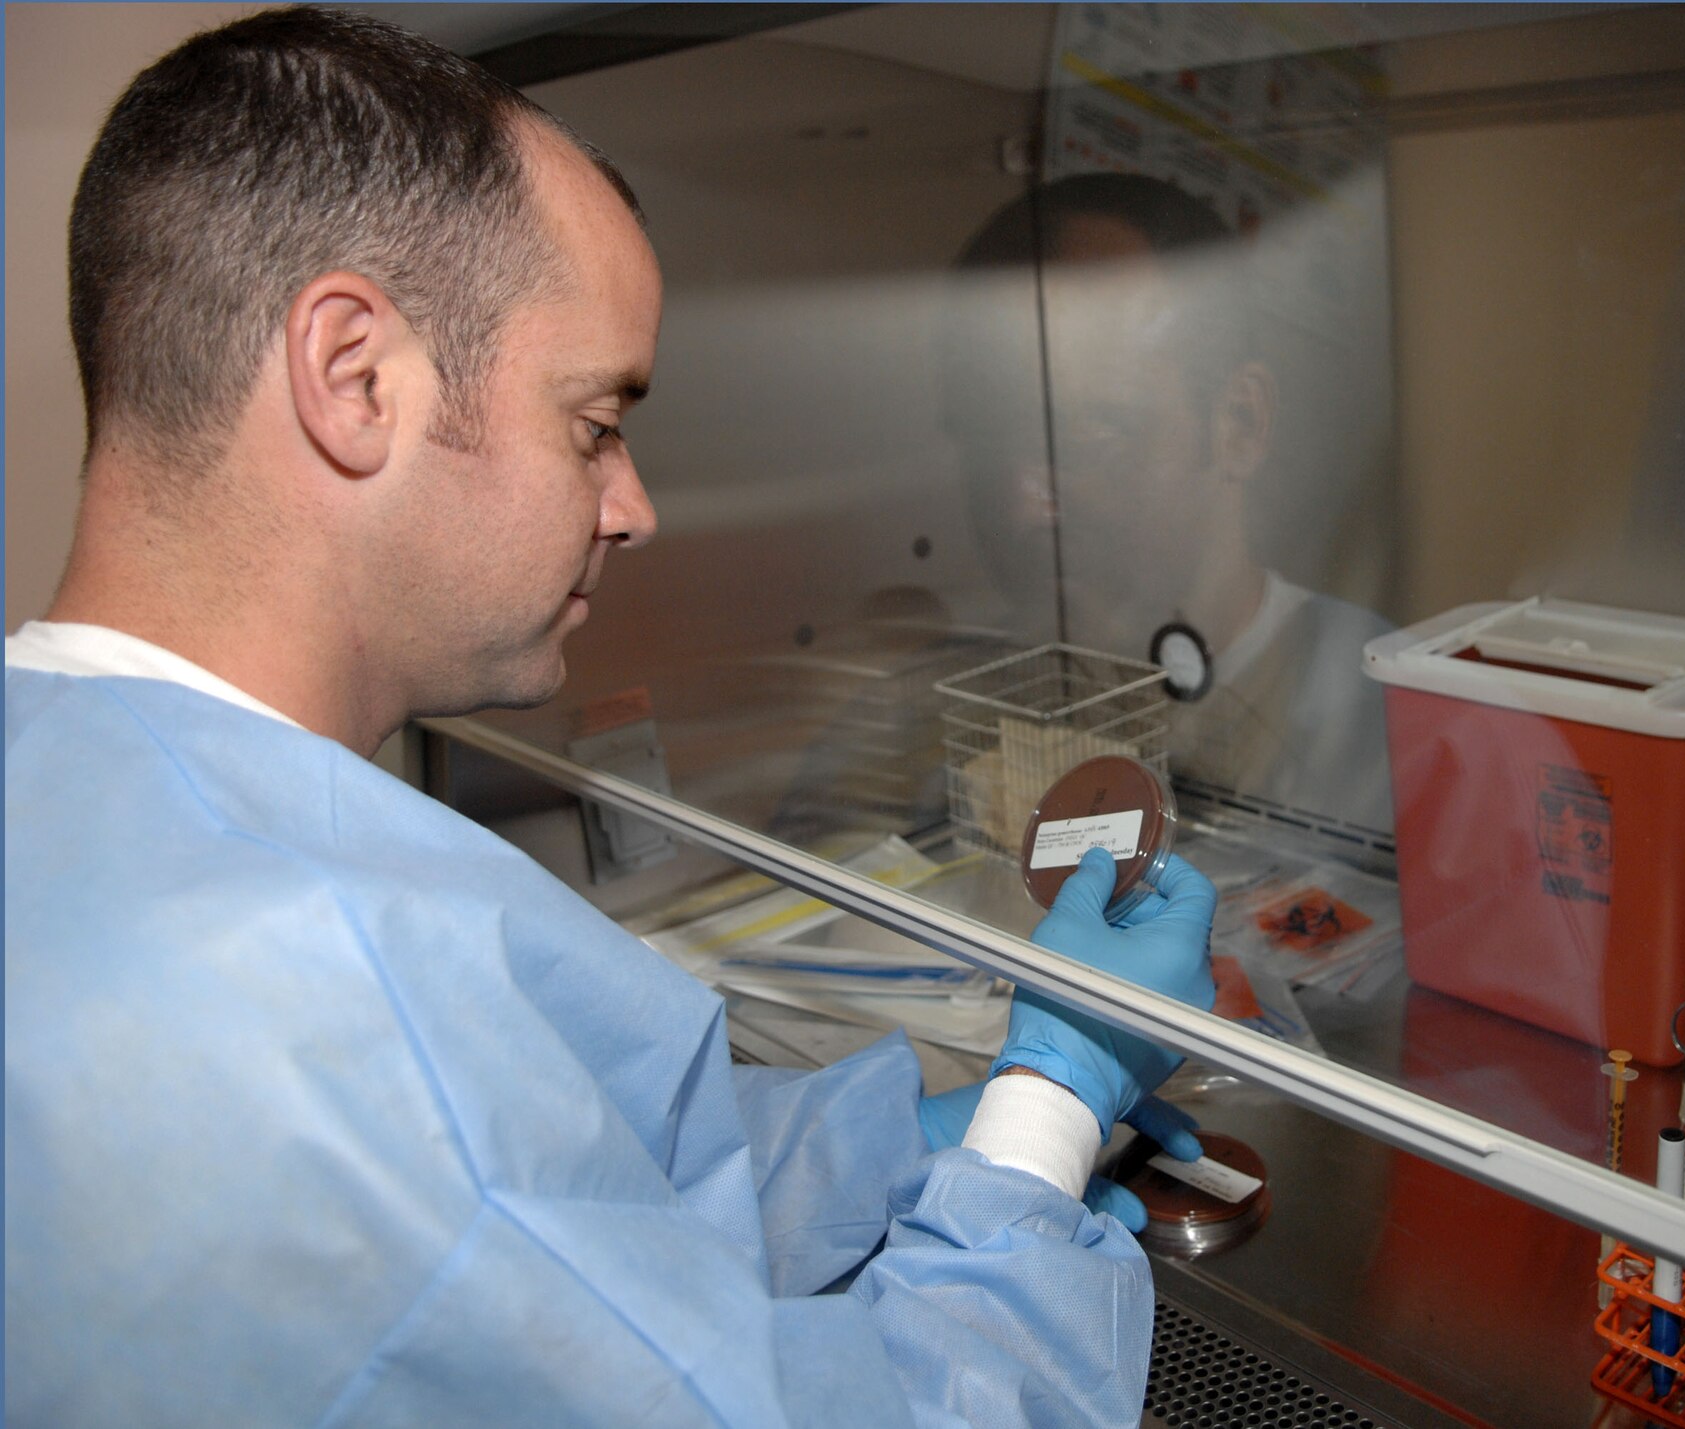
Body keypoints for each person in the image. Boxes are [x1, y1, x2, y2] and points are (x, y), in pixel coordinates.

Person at [3, 10, 1217, 1426]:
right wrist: (1047, 1110)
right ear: (353, 376)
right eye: (593, 423)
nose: (632, 505)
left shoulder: (81, 783)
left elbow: (585, 1178)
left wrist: (911, 1148)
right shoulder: (321, 1006)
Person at [942, 174, 1396, 834]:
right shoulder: (952, 713)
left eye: (1093, 437)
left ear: (1240, 422)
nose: (1023, 505)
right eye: (982, 440)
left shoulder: (1382, 722)